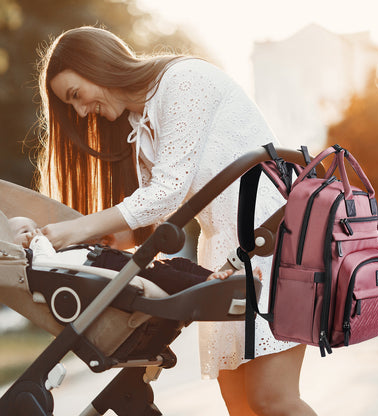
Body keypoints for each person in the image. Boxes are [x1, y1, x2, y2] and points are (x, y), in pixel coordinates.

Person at [35, 26, 317, 415]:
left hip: (271, 241)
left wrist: (73, 230)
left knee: (273, 400)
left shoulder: (183, 82)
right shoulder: (140, 124)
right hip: (225, 254)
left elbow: (165, 193)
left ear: (97, 66)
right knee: (239, 404)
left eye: (76, 96)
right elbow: (145, 213)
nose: (82, 111)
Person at [8, 216, 242, 295]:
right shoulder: (34, 261)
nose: (33, 232)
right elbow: (45, 264)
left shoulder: (51, 249)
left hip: (107, 260)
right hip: (105, 265)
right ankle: (208, 285)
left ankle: (216, 277)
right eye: (24, 231)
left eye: (34, 227)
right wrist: (38, 241)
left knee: (175, 263)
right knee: (159, 272)